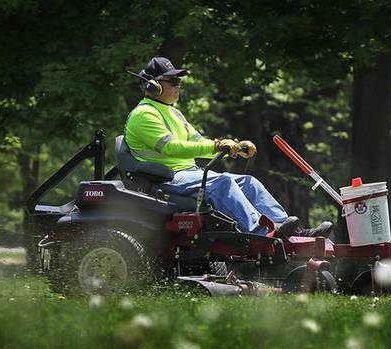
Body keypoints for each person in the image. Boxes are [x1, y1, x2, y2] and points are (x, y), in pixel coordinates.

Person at [125, 57, 332, 239]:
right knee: (222, 184)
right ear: (153, 86)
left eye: (178, 81)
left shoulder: (174, 113)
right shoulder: (144, 114)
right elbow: (171, 148)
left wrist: (234, 147)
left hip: (189, 174)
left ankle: (289, 231)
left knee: (250, 183)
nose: (178, 85)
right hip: (167, 178)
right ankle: (262, 233)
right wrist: (217, 146)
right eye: (172, 81)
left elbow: (199, 142)